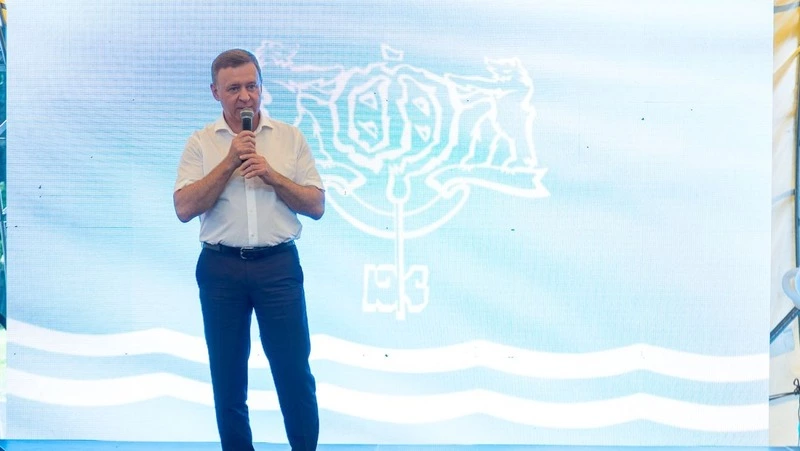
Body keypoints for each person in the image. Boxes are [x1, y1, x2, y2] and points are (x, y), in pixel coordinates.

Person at [173, 48, 324, 451]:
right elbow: (184, 209)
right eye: (233, 88)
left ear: (261, 87)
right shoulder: (200, 143)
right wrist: (229, 163)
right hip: (220, 269)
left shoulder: (289, 138)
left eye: (252, 86)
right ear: (215, 92)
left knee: (294, 373)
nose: (245, 96)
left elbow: (316, 205)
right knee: (228, 379)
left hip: (278, 267)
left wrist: (272, 175)